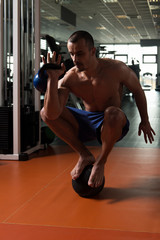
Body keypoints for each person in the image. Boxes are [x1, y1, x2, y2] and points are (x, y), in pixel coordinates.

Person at [40, 30, 155, 188]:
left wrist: (145, 120)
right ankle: (84, 155)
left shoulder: (116, 69)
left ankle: (100, 162)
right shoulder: (71, 77)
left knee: (112, 112)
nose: (75, 59)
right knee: (44, 113)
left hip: (111, 124)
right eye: (72, 54)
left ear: (92, 51)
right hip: (86, 122)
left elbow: (138, 90)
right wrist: (52, 80)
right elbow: (52, 114)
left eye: (80, 54)